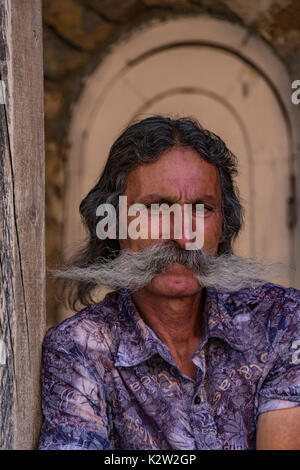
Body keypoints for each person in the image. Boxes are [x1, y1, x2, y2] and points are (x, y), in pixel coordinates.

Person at [38, 116, 300, 450]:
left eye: (201, 208)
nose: (182, 235)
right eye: (156, 208)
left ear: (223, 227)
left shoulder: (281, 320)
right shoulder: (81, 348)